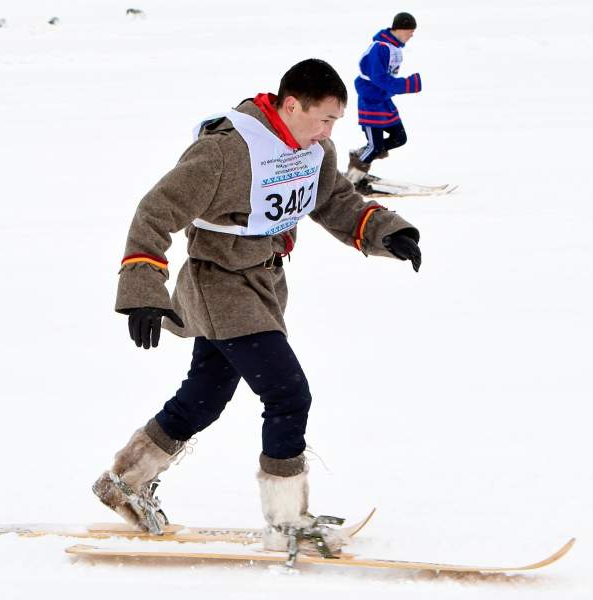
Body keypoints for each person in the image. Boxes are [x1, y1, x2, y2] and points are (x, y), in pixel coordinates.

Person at [92, 58, 422, 555]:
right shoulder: (226, 152)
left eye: (335, 121)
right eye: (325, 119)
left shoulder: (313, 148)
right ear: (292, 105)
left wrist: (385, 230)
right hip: (220, 284)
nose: (330, 132)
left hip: (264, 283)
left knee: (205, 395)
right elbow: (156, 211)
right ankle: (288, 521)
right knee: (289, 395)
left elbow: (332, 199)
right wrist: (143, 290)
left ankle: (124, 481)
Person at [347, 12, 423, 192]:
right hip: (371, 100)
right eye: (410, 31)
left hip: (383, 99)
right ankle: (353, 180)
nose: (412, 35)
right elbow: (378, 78)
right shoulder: (380, 47)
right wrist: (406, 85)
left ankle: (360, 155)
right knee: (375, 147)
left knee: (399, 138)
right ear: (400, 28)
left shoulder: (394, 47)